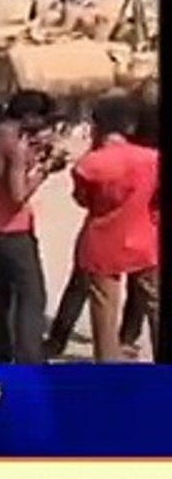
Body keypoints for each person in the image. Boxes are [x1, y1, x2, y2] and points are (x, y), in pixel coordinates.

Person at [0, 90, 65, 363]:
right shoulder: (16, 145)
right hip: (14, 231)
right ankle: (30, 360)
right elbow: (17, 196)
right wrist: (44, 169)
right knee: (31, 298)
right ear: (29, 117)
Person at [69, 95, 160, 362]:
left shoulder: (88, 165)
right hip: (145, 240)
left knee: (104, 315)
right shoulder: (153, 159)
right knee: (155, 306)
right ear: (130, 126)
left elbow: (83, 201)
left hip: (103, 244)